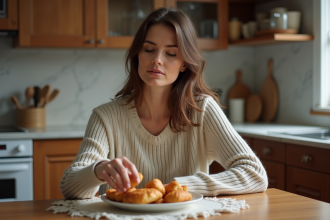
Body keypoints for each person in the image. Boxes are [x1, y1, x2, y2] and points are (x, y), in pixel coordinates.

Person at [60, 7, 268, 199]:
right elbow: (69, 187)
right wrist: (97, 170)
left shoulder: (202, 110)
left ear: (185, 63)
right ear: (137, 55)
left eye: (171, 53)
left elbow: (255, 174)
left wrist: (178, 187)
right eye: (149, 49)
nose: (157, 59)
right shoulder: (106, 117)